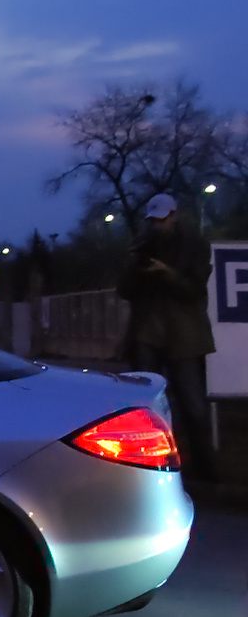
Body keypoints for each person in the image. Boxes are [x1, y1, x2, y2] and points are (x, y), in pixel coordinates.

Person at [116, 192, 218, 482]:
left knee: (194, 406)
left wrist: (166, 273)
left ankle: (207, 471)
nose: (159, 226)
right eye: (154, 221)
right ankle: (147, 470)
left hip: (184, 338)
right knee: (144, 409)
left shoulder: (196, 246)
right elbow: (124, 290)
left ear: (174, 215)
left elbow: (193, 290)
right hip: (147, 334)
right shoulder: (142, 246)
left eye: (163, 220)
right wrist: (136, 266)